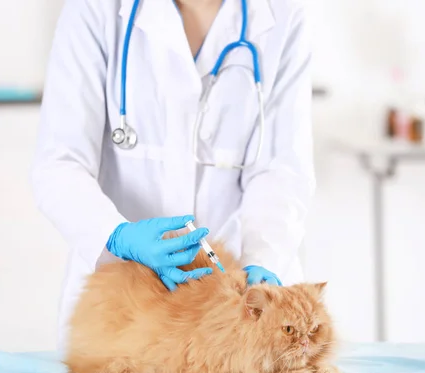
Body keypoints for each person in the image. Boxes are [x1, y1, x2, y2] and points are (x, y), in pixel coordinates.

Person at [31, 0, 315, 352]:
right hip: (126, 303)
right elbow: (59, 162)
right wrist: (116, 236)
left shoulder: (282, 13)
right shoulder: (96, 8)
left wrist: (263, 259)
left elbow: (281, 169)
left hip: (241, 301)